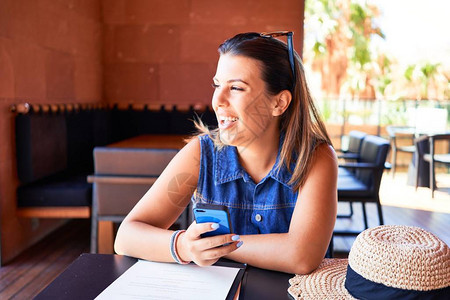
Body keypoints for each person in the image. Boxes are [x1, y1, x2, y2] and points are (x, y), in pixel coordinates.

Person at [114, 31, 338, 275]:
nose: (217, 99)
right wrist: (184, 246)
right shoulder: (200, 154)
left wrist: (213, 245)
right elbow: (126, 237)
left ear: (279, 103)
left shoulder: (316, 158)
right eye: (217, 85)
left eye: (236, 88)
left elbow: (300, 256)